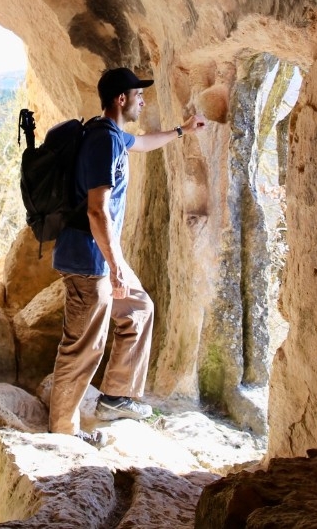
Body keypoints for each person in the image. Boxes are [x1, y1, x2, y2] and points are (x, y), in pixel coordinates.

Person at [48, 67, 206, 445]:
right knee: (84, 345)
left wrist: (182, 130)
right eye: (138, 95)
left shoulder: (112, 135)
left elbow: (143, 143)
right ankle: (63, 432)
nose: (143, 100)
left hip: (96, 256)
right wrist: (116, 269)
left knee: (138, 308)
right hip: (89, 262)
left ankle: (117, 397)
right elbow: (97, 211)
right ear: (121, 99)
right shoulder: (103, 143)